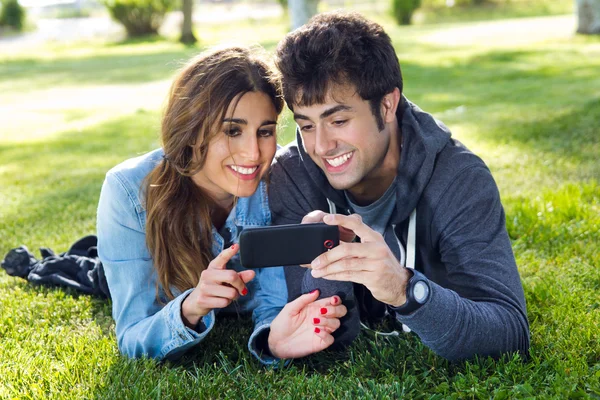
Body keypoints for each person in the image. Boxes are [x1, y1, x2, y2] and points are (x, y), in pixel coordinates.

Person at [269, 12, 530, 361]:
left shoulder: (460, 179)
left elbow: (509, 332)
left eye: (339, 120)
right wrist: (326, 274)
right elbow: (321, 341)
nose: (321, 146)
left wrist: (404, 288)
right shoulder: (293, 176)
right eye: (307, 126)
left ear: (387, 104)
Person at [96, 46, 347, 364]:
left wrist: (273, 340)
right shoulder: (129, 191)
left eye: (265, 132)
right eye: (233, 131)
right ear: (192, 129)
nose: (253, 154)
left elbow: (274, 298)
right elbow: (132, 338)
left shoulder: (284, 178)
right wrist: (191, 307)